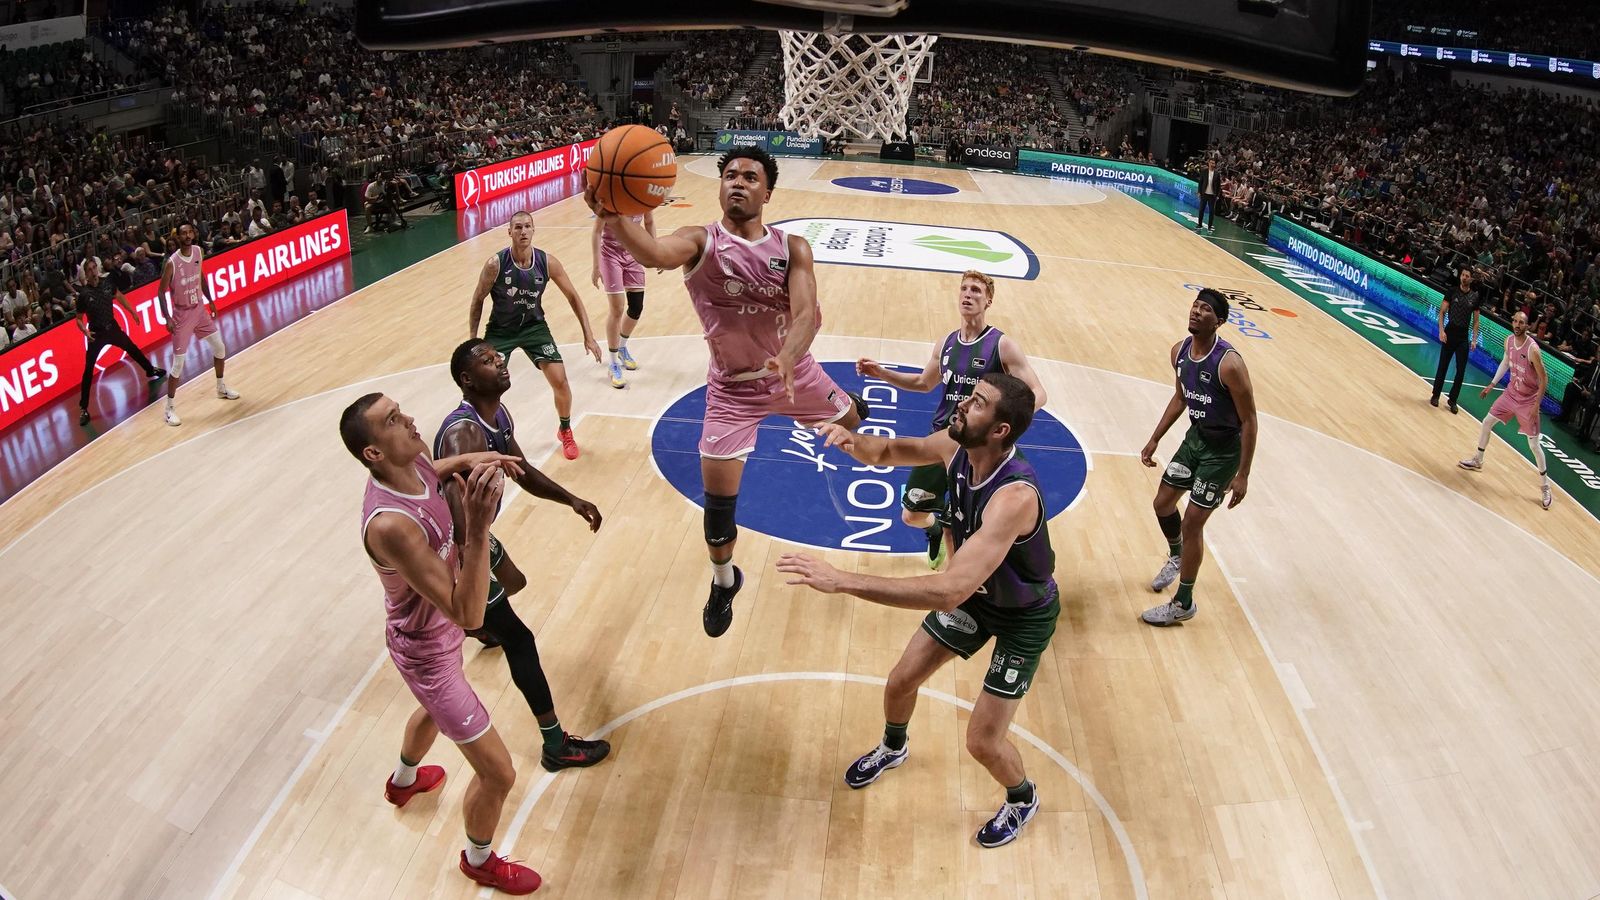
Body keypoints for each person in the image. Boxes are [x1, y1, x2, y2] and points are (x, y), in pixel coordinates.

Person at [587, 145, 867, 638]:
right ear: (719, 186)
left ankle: (849, 403)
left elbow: (805, 313)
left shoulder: (792, 247)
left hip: (794, 373)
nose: (738, 182)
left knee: (854, 425)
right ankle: (724, 581)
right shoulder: (700, 241)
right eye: (731, 175)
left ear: (768, 192)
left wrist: (785, 356)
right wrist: (612, 217)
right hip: (733, 392)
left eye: (751, 177)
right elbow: (654, 253)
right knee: (719, 514)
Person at [777, 373, 1057, 848]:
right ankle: (893, 747)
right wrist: (850, 441)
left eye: (979, 402)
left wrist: (843, 580)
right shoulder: (954, 447)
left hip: (1021, 616)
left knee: (982, 742)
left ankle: (1022, 797)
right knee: (900, 681)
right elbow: (888, 452)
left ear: (1000, 430)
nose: (964, 403)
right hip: (977, 597)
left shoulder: (1014, 496)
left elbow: (949, 591)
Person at [340, 393, 540, 894]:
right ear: (373, 454)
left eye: (401, 409)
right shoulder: (392, 526)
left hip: (433, 638)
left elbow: (436, 468)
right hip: (427, 651)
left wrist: (479, 457)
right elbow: (469, 614)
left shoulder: (413, 463)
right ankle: (479, 860)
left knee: (430, 710)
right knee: (498, 774)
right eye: (392, 421)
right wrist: (477, 528)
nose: (409, 419)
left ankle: (402, 782)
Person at [434, 338, 612, 771]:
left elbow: (522, 470)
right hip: (456, 548)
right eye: (488, 361)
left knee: (515, 581)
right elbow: (457, 516)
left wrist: (571, 499)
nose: (500, 362)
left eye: (498, 356)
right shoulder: (464, 433)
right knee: (520, 638)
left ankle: (477, 627)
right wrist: (466, 579)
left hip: (475, 536)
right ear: (467, 379)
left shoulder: (496, 415)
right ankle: (556, 744)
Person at [856, 270, 1047, 568]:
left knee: (957, 528)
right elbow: (923, 383)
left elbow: (1037, 393)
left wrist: (1002, 425)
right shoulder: (945, 342)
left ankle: (960, 590)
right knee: (911, 515)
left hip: (977, 448)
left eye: (976, 291)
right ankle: (931, 527)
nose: (968, 295)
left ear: (989, 301)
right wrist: (883, 373)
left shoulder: (1001, 345)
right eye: (964, 289)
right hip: (943, 440)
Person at [1140, 288, 1258, 626]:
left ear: (1218, 321)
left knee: (1193, 522)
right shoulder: (1179, 352)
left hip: (1224, 451)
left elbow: (1249, 419)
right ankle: (1177, 555)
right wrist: (1155, 438)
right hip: (1196, 439)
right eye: (1195, 305)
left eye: (1205, 309)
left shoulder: (1230, 364)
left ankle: (1183, 602)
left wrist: (1243, 474)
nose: (1196, 311)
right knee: (1162, 503)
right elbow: (1181, 397)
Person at [468, 210, 602, 460]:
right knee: (486, 386)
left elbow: (574, 296)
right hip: (501, 330)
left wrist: (589, 335)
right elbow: (478, 299)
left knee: (560, 381)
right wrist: (474, 341)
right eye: (517, 227)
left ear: (533, 230)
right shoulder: (495, 264)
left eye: (527, 227)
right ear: (509, 232)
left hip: (534, 327)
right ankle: (482, 434)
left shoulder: (547, 262)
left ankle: (565, 430)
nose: (523, 232)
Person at [1459, 311, 1553, 510]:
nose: (1517, 325)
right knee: (1486, 422)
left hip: (1528, 401)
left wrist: (1537, 404)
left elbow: (1544, 379)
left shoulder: (1533, 350)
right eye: (1515, 321)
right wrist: (1492, 385)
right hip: (1511, 394)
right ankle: (1478, 459)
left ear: (1527, 326)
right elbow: (1505, 362)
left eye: (1522, 322)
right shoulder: (1508, 341)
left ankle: (1545, 486)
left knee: (1534, 445)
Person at [157, 222, 239, 427]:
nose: (187, 236)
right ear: (178, 237)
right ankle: (169, 408)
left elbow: (200, 276)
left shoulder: (198, 252)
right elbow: (160, 291)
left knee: (220, 348)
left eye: (189, 232)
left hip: (199, 310)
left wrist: (210, 299)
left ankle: (220, 388)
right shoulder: (172, 262)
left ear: (194, 234)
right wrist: (166, 318)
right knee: (178, 365)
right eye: (183, 233)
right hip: (181, 316)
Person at [76, 255, 166, 426]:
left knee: (132, 348)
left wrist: (131, 310)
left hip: (113, 327)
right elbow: (79, 319)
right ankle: (84, 408)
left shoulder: (108, 283)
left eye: (94, 268)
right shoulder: (83, 295)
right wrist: (85, 331)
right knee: (88, 370)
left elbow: (119, 295)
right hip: (96, 333)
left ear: (98, 268)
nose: (92, 272)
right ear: (85, 274)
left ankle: (150, 370)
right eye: (88, 270)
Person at [590, 209, 655, 389]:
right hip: (610, 255)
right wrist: (596, 266)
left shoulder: (642, 197)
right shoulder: (610, 199)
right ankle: (613, 364)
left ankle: (621, 347)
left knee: (636, 307)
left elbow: (649, 222)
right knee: (617, 309)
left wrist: (654, 252)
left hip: (632, 254)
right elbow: (596, 231)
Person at [1430, 267, 1483, 414]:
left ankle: (1452, 400)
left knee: (1460, 371)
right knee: (1443, 366)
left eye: (1467, 276)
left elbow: (1476, 321)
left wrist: (1474, 339)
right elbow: (1442, 312)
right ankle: (1435, 395)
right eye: (1463, 275)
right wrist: (1441, 330)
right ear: (1460, 276)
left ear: (1471, 279)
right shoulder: (1452, 292)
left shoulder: (1475, 297)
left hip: (1462, 338)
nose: (1464, 277)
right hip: (1450, 333)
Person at [1196, 157, 1221, 232]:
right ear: (1208, 163)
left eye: (1214, 163)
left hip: (1212, 196)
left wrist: (1217, 195)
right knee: (1201, 210)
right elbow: (1200, 182)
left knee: (1211, 212)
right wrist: (1199, 192)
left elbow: (1219, 186)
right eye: (1211, 163)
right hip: (1204, 194)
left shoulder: (1217, 173)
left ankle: (1209, 226)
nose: (1213, 164)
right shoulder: (1204, 171)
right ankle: (1199, 224)